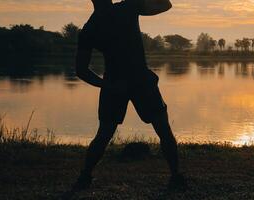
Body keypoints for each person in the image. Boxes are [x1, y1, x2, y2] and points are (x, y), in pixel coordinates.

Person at [71, 0, 186, 193]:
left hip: (117, 83)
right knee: (162, 128)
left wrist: (105, 85)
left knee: (104, 134)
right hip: (138, 80)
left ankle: (85, 176)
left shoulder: (91, 26)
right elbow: (166, 4)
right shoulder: (127, 8)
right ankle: (176, 176)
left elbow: (81, 71)